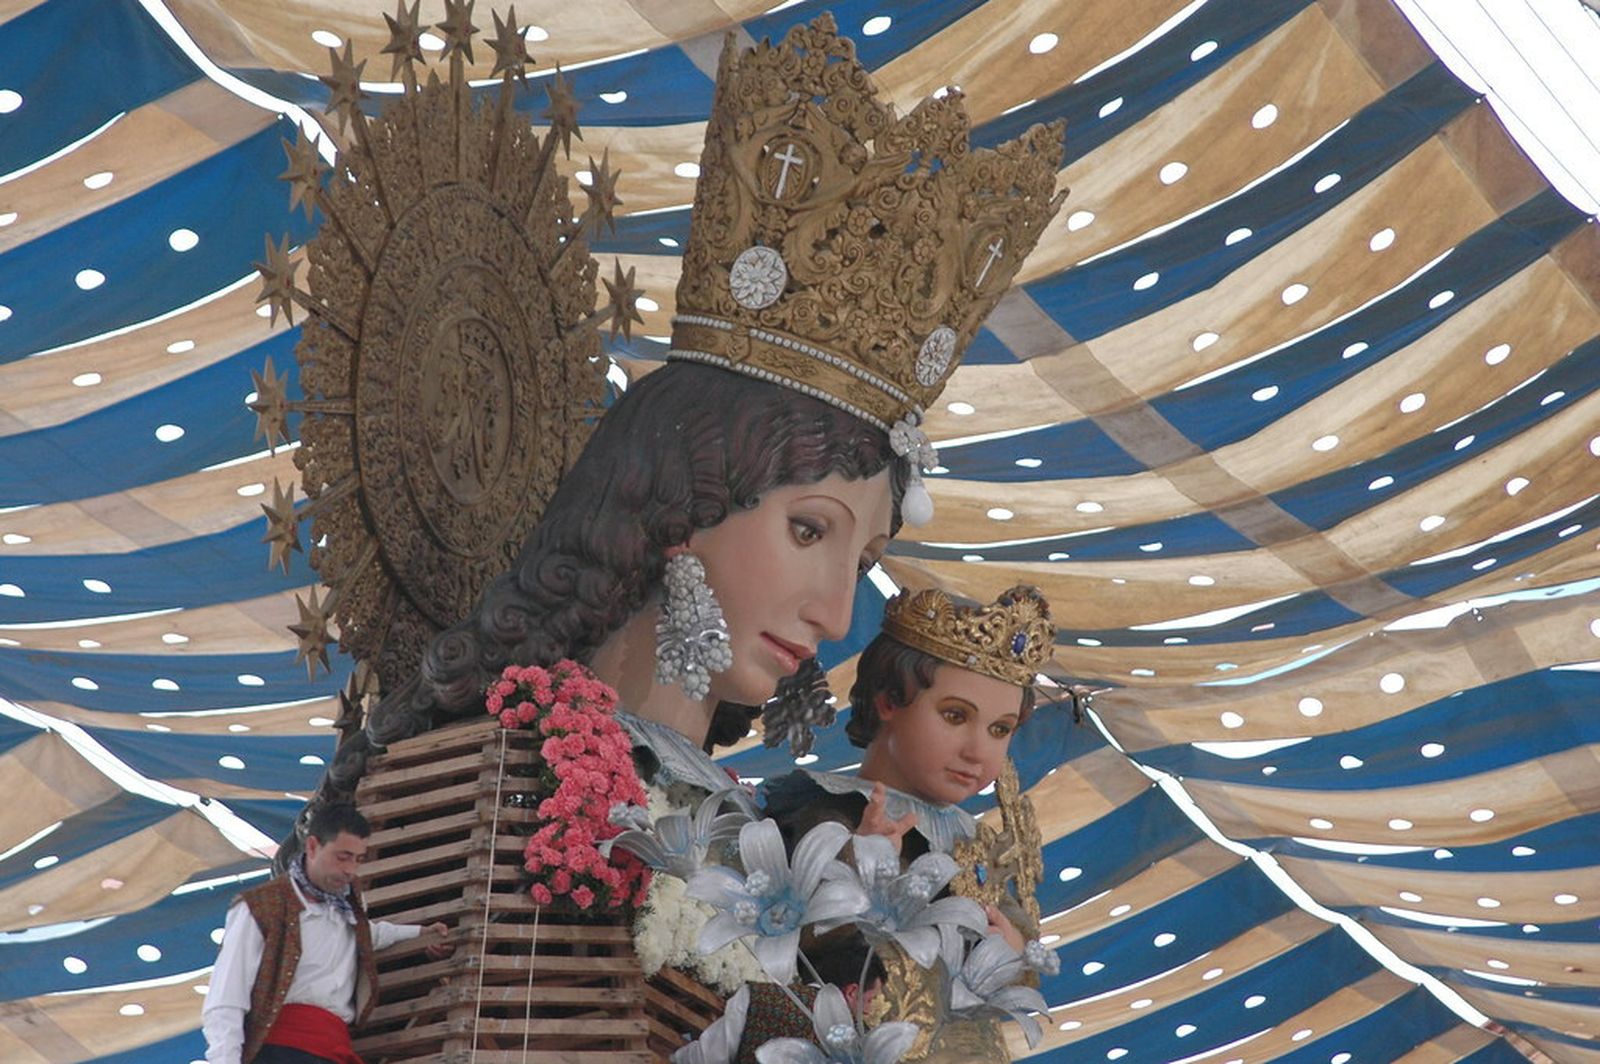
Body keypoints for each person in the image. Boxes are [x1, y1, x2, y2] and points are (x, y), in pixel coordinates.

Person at [741, 584, 1056, 1060]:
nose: (977, 751)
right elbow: (783, 943)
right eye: (955, 716)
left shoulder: (978, 846)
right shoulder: (826, 811)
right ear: (889, 700)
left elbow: (1019, 954)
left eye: (999, 730)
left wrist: (1012, 952)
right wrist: (855, 867)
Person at [203, 803, 452, 1064]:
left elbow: (366, 936)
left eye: (358, 859)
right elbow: (226, 1000)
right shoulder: (260, 907)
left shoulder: (348, 902)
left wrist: (419, 934)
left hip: (334, 1048)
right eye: (342, 857)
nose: (350, 869)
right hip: (281, 1051)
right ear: (312, 846)